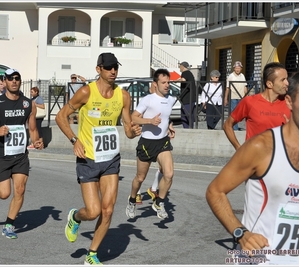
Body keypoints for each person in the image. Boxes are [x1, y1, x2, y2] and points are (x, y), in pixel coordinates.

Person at [206, 69, 299, 265]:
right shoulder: (258, 141)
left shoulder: (282, 106)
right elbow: (215, 191)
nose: (285, 82)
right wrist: (240, 233)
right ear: (290, 103)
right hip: (261, 260)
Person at [55, 52, 141, 265]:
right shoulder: (86, 92)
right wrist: (74, 140)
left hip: (111, 158)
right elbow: (60, 116)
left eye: (116, 67)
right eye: (109, 67)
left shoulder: (123, 95)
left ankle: (92, 254)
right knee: (93, 211)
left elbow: (127, 128)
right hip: (88, 158)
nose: (113, 71)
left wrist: (133, 132)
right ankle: (76, 217)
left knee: (108, 209)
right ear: (98, 69)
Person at [0, 68, 44, 239]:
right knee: (5, 194)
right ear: (6, 82)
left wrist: (37, 140)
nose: (14, 81)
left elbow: (32, 128)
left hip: (20, 154)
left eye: (17, 78)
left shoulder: (28, 103)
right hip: (1, 153)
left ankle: (9, 225)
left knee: (20, 189)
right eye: (11, 79)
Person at [126, 68, 176, 220]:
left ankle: (159, 202)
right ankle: (132, 200)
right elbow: (133, 118)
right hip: (146, 144)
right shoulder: (148, 99)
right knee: (140, 178)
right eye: (163, 82)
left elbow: (166, 116)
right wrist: (149, 121)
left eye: (168, 82)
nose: (167, 85)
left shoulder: (171, 99)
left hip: (162, 143)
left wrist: (169, 126)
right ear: (155, 84)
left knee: (169, 174)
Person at [223, 62, 291, 150]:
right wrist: (238, 148)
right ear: (269, 84)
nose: (287, 83)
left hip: (279, 159)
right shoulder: (250, 102)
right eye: (283, 80)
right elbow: (227, 125)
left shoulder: (289, 103)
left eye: (287, 79)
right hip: (254, 159)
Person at [224, 61, 248, 131]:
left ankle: (235, 126)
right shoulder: (231, 76)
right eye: (236, 68)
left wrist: (247, 95)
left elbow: (245, 86)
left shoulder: (242, 76)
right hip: (233, 97)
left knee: (241, 113)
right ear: (234, 68)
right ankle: (234, 128)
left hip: (241, 97)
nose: (238, 69)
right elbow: (227, 88)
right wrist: (226, 98)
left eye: (239, 68)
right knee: (234, 113)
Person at [177, 61, 197, 128]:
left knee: (186, 115)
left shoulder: (185, 73)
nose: (179, 68)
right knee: (187, 115)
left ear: (183, 66)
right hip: (189, 98)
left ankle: (188, 128)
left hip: (187, 98)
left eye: (180, 66)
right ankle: (189, 128)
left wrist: (177, 80)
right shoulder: (189, 73)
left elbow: (183, 79)